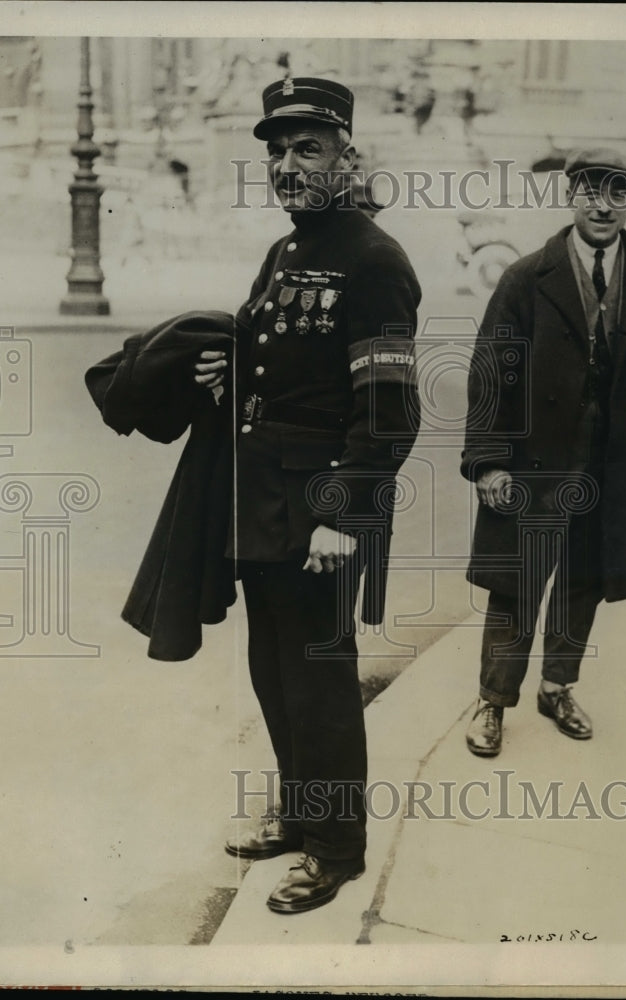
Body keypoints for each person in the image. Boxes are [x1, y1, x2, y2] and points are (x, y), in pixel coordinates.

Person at [194, 77, 421, 911]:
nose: (288, 166)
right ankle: (299, 809)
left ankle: (335, 849)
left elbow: (388, 411)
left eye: (308, 149)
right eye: (278, 152)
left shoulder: (373, 258)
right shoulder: (288, 250)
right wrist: (226, 373)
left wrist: (341, 513)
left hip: (317, 511)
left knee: (320, 679)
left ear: (347, 155)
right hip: (261, 501)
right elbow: (278, 365)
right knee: (273, 669)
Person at [460, 148, 626, 757]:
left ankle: (557, 686)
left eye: (618, 193)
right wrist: (488, 459)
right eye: (592, 189)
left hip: (610, 464)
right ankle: (491, 702)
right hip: (535, 461)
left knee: (583, 580)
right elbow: (490, 370)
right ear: (571, 195)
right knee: (517, 581)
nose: (603, 204)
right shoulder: (527, 277)